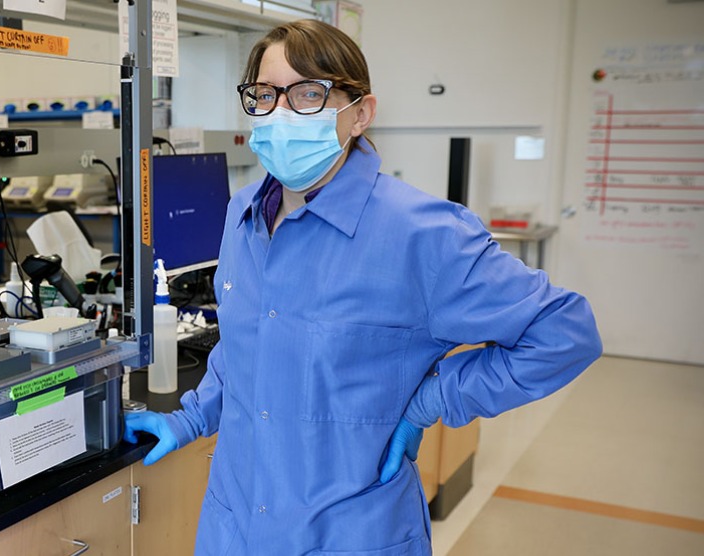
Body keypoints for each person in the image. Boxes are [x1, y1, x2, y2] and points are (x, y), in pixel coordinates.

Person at [123, 19, 602, 555]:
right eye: (263, 95)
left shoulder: (421, 235)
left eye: (308, 94)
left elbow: (565, 332)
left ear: (361, 114)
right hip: (235, 529)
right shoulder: (243, 214)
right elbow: (242, 348)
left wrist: (431, 401)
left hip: (351, 535)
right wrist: (188, 420)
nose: (280, 113)